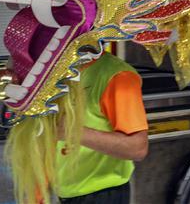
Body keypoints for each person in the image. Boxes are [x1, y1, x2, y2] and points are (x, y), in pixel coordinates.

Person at [56, 51, 149, 203]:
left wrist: (73, 131)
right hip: (67, 192)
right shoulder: (62, 70)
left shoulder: (117, 76)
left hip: (101, 194)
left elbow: (137, 148)